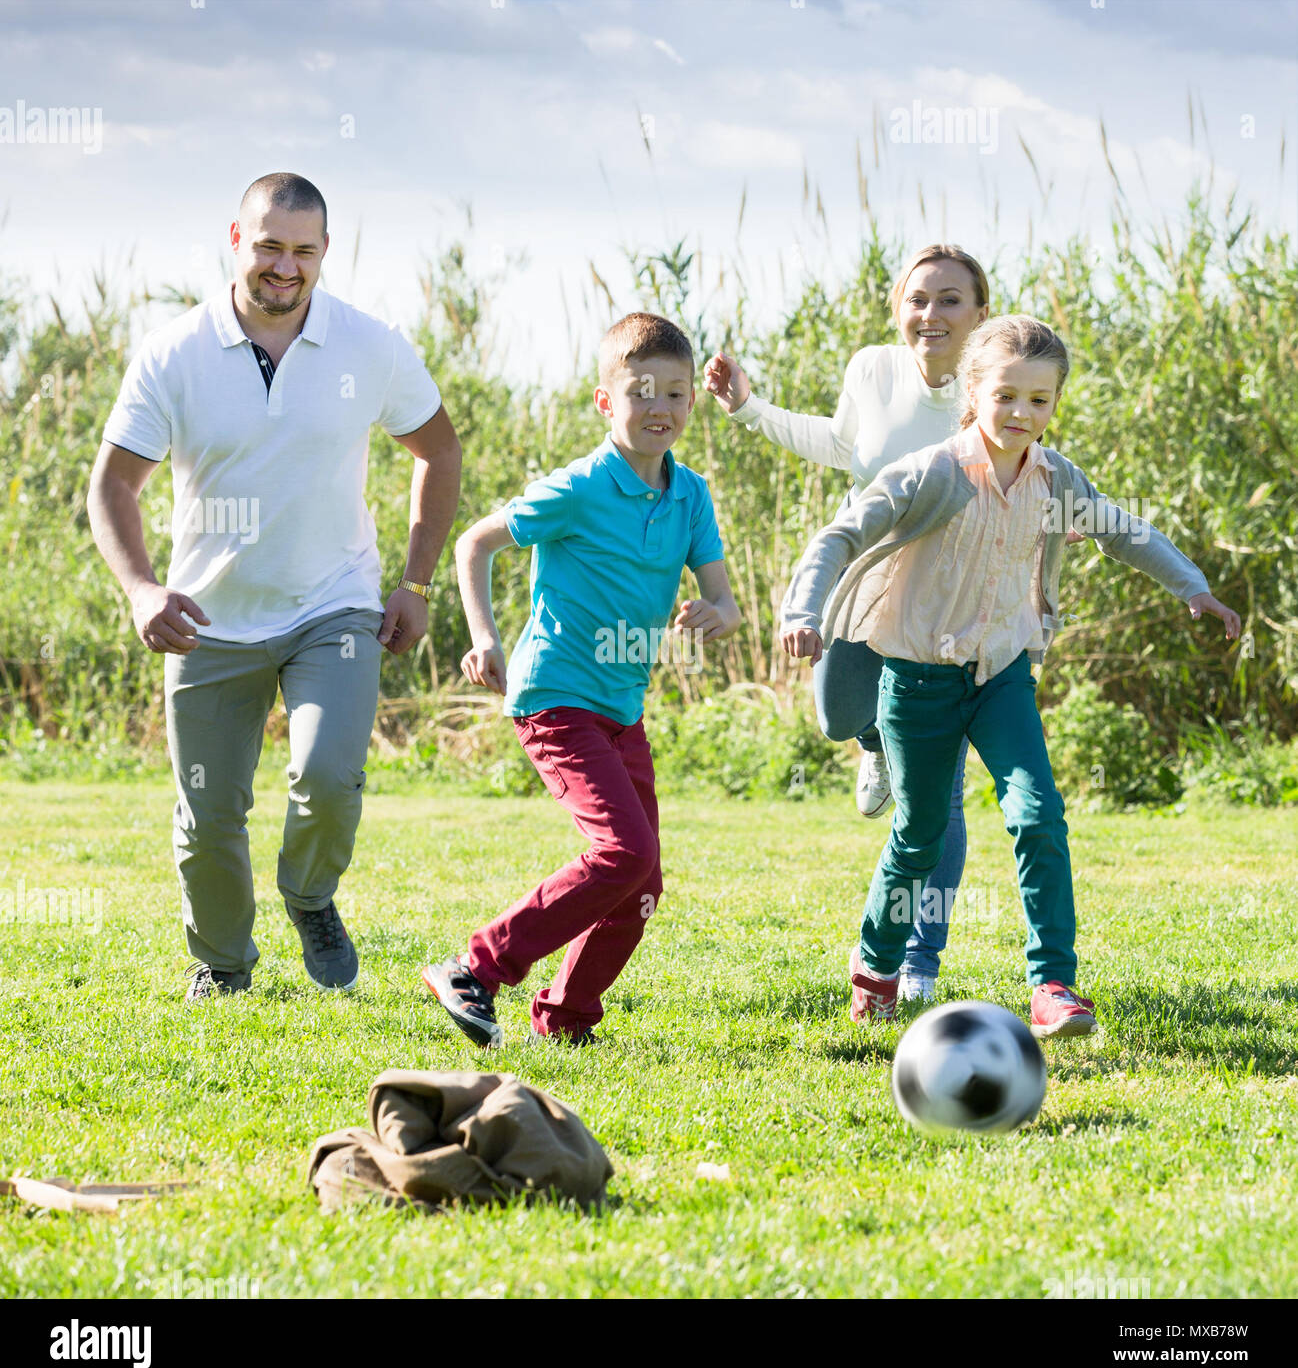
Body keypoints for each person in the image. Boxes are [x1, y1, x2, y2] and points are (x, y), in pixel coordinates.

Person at [780, 315, 1240, 1037]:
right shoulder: (930, 472)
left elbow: (1123, 530)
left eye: (1039, 400)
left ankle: (1053, 984)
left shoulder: (1055, 480)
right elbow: (841, 535)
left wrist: (1193, 586)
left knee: (1038, 814)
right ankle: (876, 970)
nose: (1022, 414)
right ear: (974, 390)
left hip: (1003, 677)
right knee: (920, 831)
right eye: (1006, 396)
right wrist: (804, 611)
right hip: (919, 680)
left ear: (1055, 403)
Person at [87, 173, 461, 1001]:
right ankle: (222, 966)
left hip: (333, 605)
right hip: (207, 620)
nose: (283, 267)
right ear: (236, 239)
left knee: (329, 777)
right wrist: (143, 590)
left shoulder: (370, 346)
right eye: (268, 247)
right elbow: (111, 488)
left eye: (301, 250)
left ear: (325, 251)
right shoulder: (175, 352)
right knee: (207, 821)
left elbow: (439, 451)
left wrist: (415, 582)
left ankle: (310, 896)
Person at [422, 312, 740, 1047]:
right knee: (623, 855)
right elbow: (476, 543)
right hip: (555, 694)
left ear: (692, 402)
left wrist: (719, 612)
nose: (659, 408)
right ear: (606, 401)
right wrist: (485, 637)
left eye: (676, 394)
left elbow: (722, 595)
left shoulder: (689, 495)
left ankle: (563, 1020)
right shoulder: (575, 488)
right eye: (641, 392)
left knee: (642, 883)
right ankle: (475, 967)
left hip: (620, 707)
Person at [705, 244, 990, 1002]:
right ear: (899, 307)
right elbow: (841, 446)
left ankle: (922, 963)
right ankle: (875, 745)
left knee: (942, 797)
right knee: (836, 714)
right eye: (919, 299)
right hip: (864, 576)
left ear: (980, 314)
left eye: (951, 300)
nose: (931, 315)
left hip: (949, 598)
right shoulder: (872, 367)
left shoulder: (992, 382)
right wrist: (749, 411)